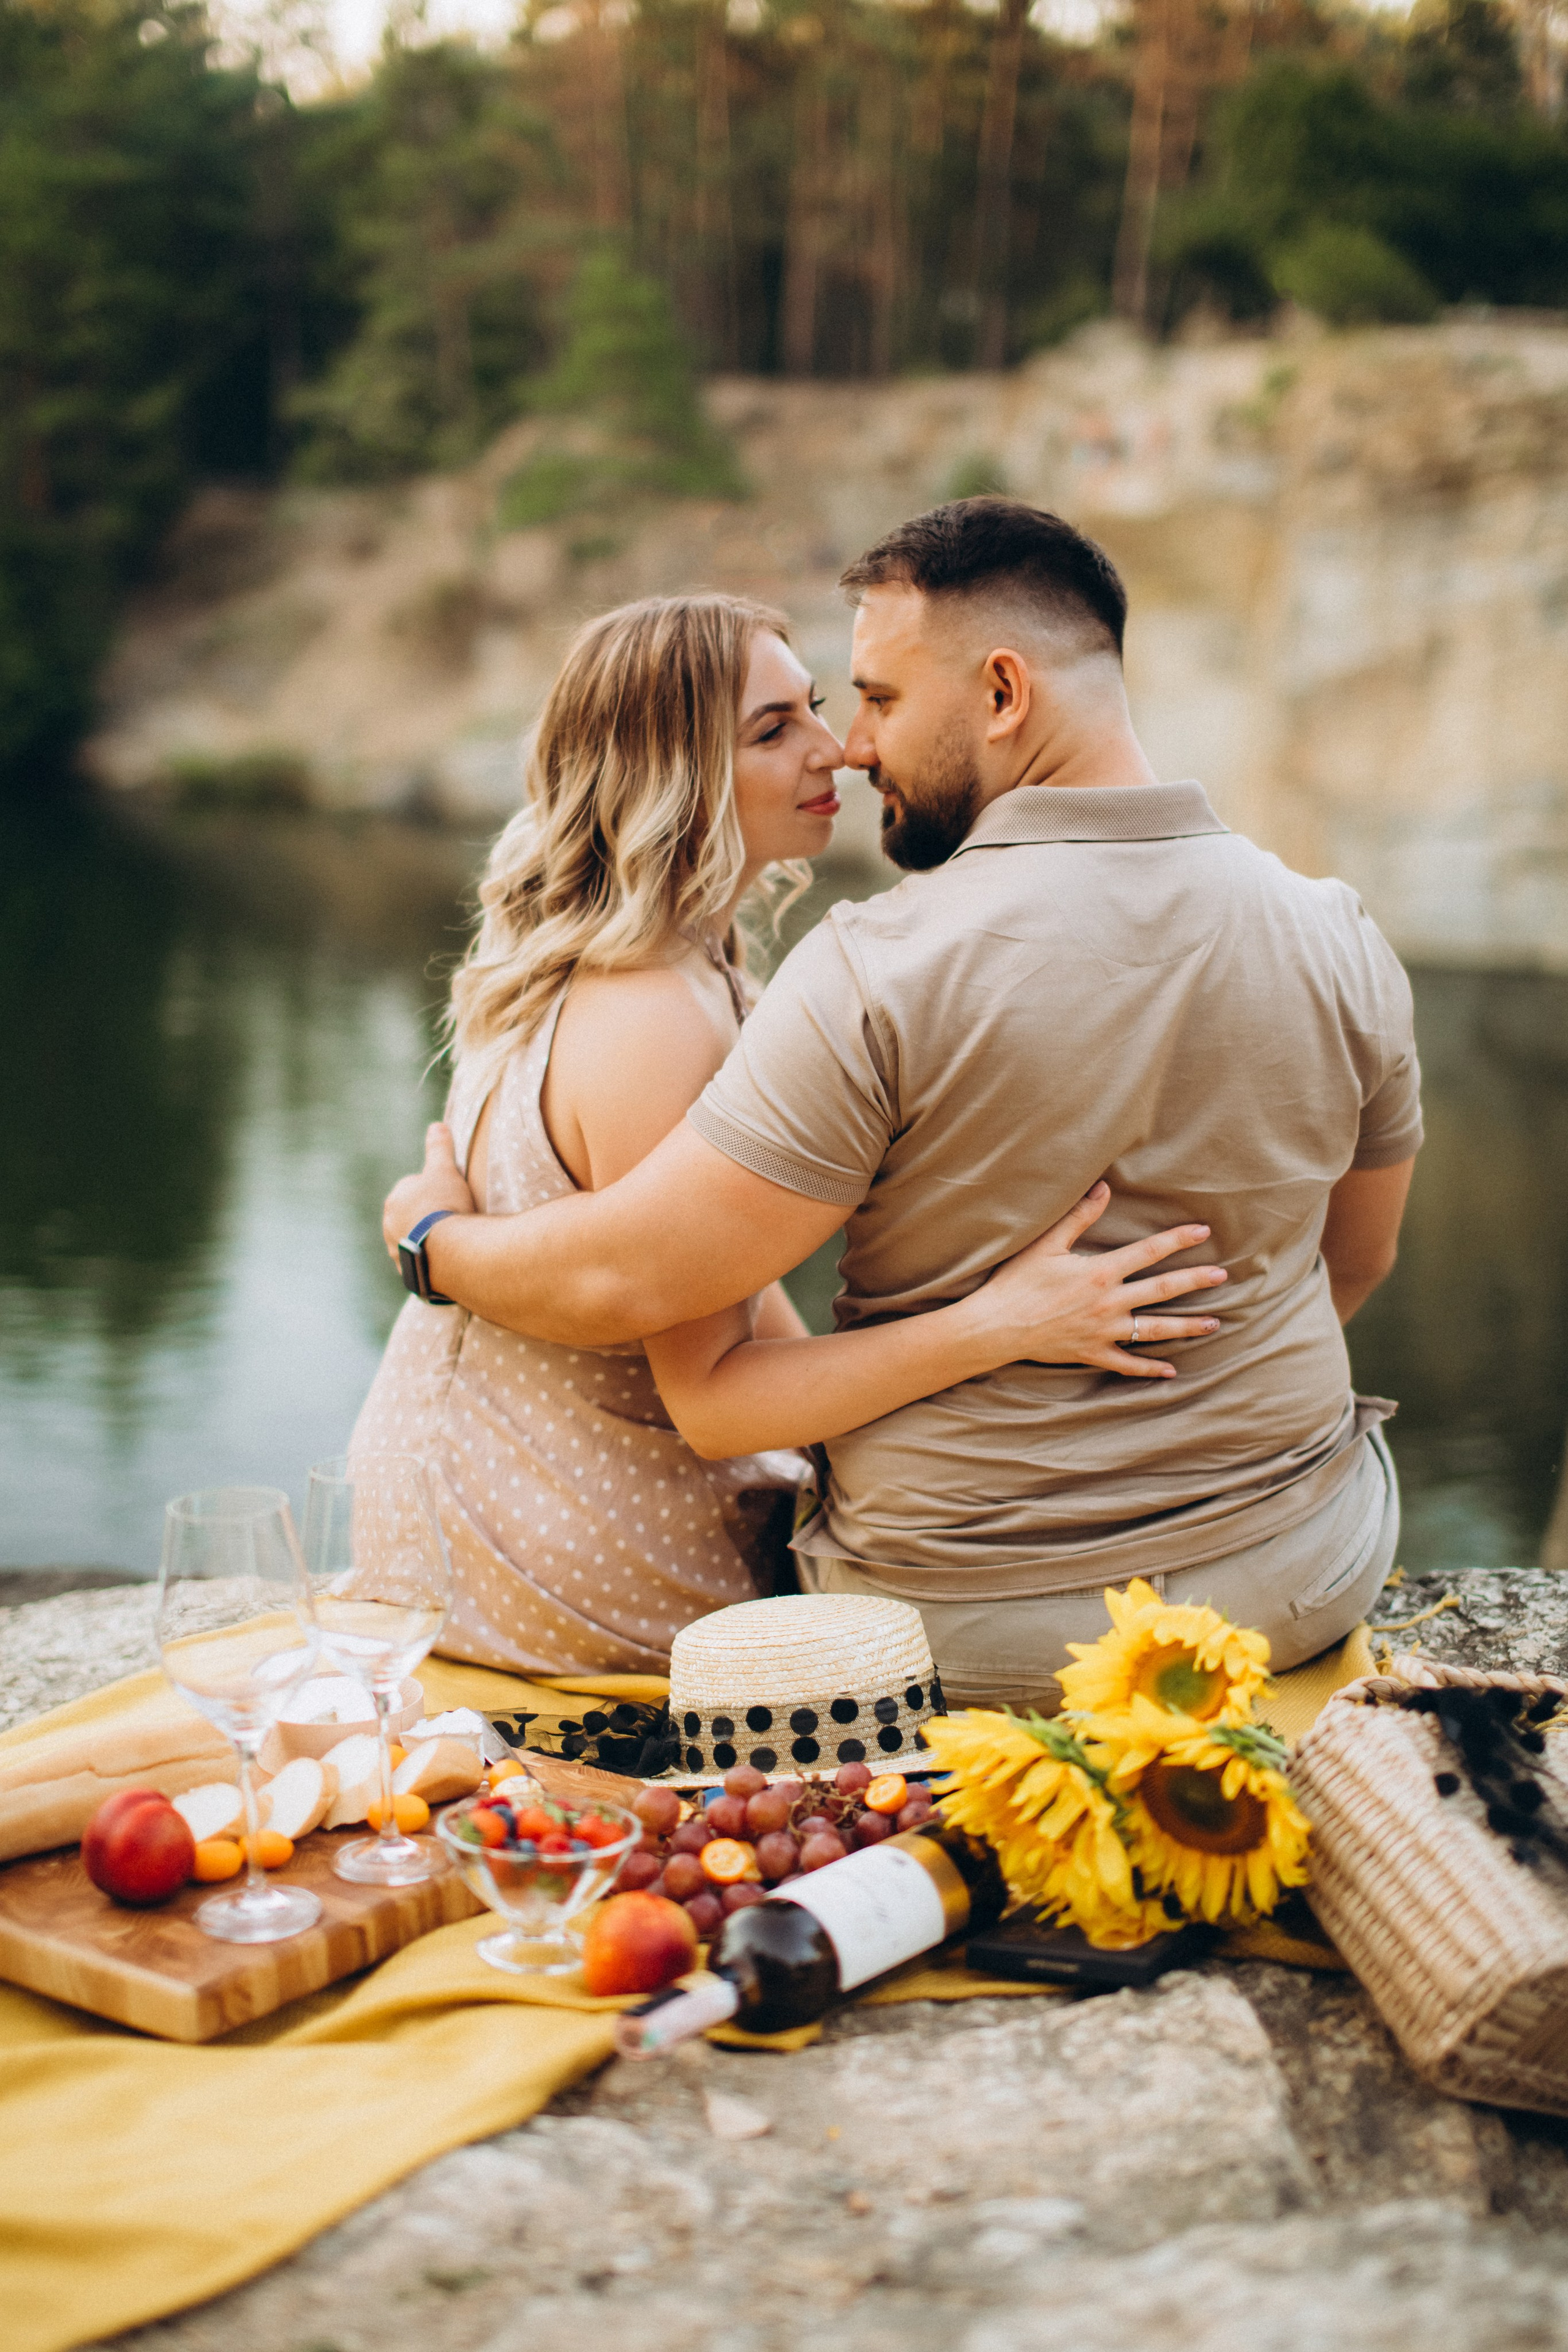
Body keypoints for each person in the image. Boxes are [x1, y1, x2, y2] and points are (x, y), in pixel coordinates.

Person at [384, 503, 1420, 1704]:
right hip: (1301, 1577)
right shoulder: (1334, 930)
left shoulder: (871, 969)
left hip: (972, 1629)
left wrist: (428, 1240)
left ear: (999, 693)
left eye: (870, 699)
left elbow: (642, 1287)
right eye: (809, 716)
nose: (851, 748)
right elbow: (1356, 1262)